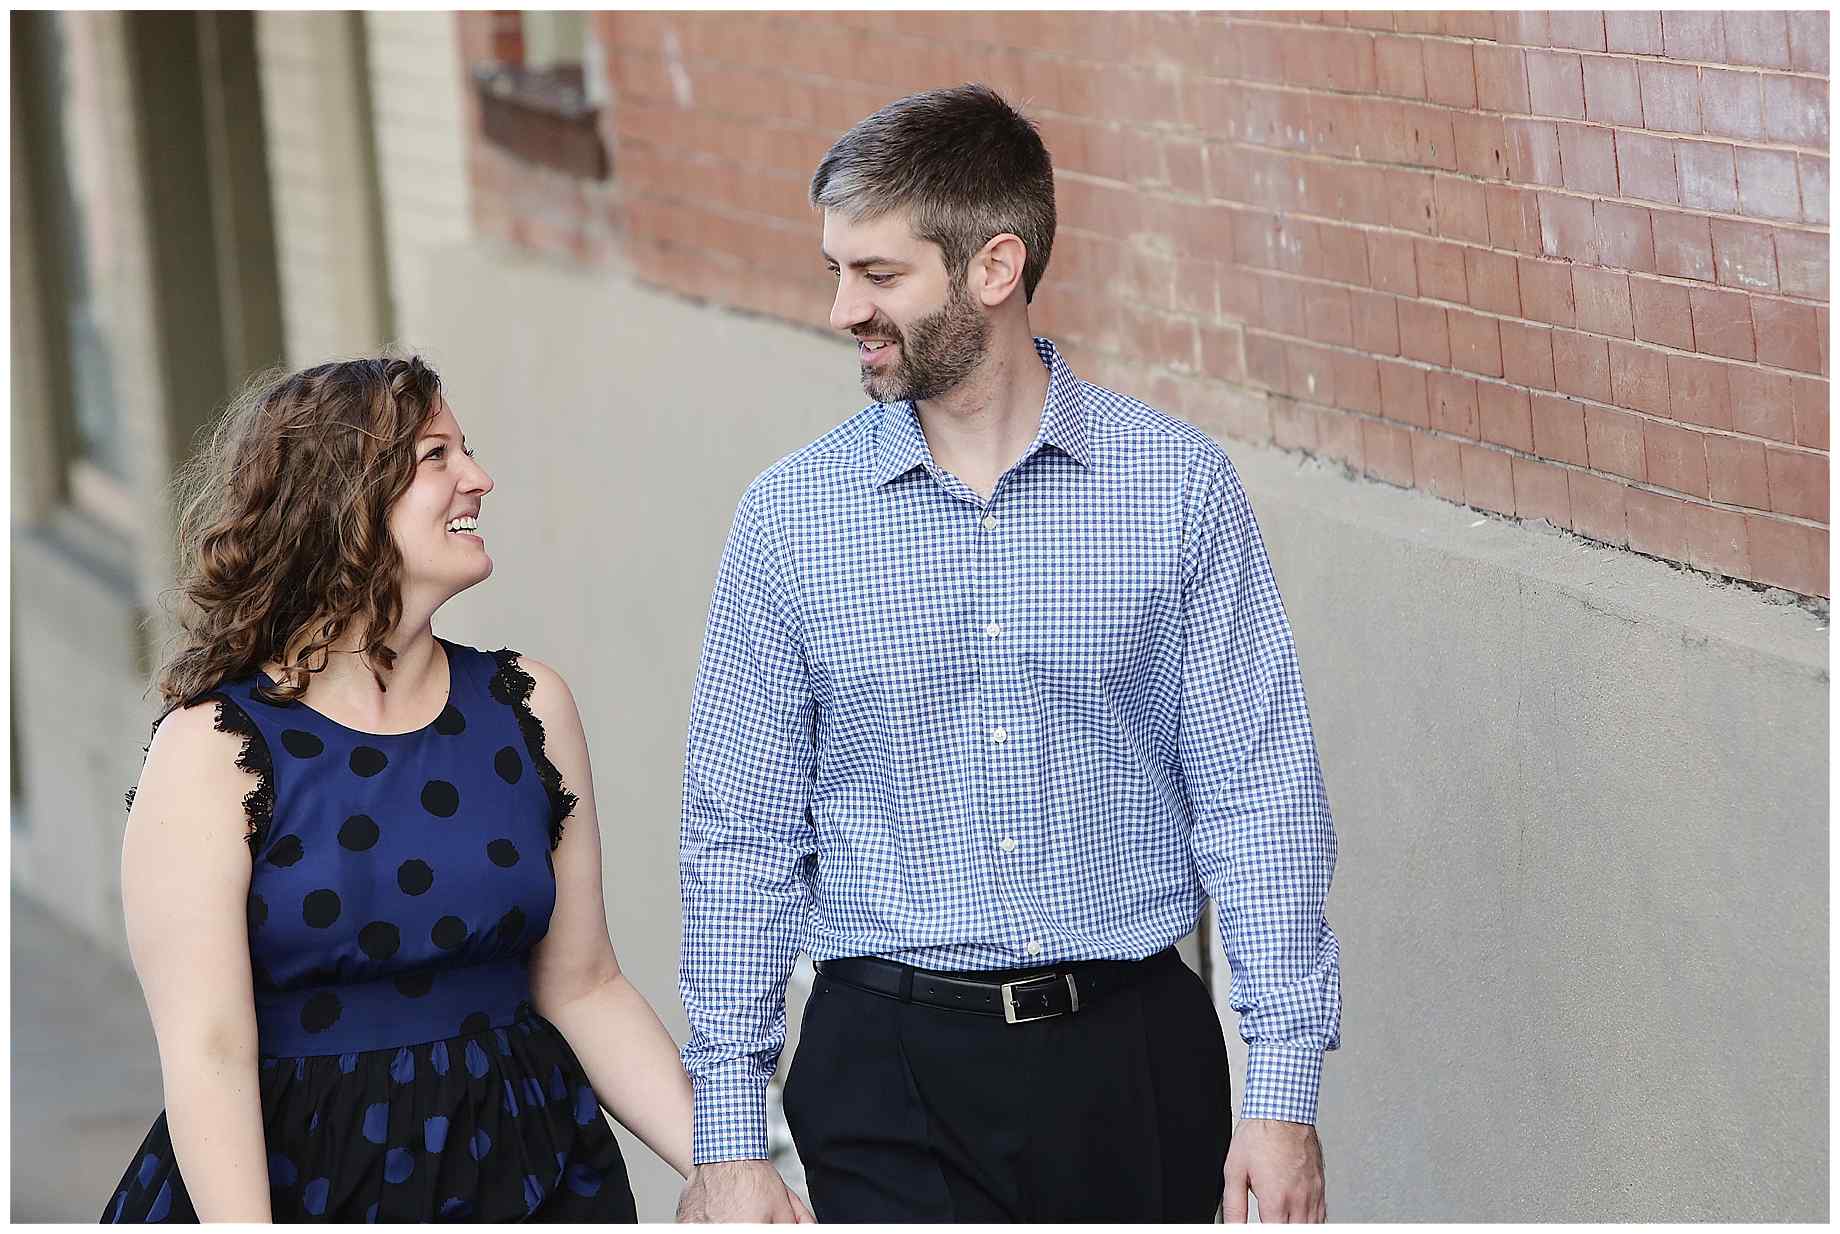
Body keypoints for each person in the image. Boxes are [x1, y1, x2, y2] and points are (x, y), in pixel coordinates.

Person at [675, 84, 1341, 1224]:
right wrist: (729, 1137)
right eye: (835, 269)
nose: (842, 309)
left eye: (878, 276)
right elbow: (739, 834)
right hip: (886, 1066)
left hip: (1133, 1058)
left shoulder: (1175, 491)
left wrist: (1279, 1096)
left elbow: (1259, 800)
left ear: (995, 267)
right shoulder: (789, 520)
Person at [103, 356, 697, 1222]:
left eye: (468, 452)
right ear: (342, 498)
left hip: (527, 1168)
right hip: (307, 1181)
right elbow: (209, 1049)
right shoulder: (215, 750)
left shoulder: (528, 706)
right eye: (437, 458)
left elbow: (585, 986)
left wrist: (725, 1165)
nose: (479, 480)